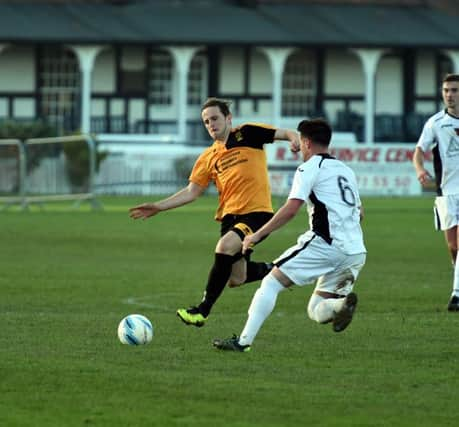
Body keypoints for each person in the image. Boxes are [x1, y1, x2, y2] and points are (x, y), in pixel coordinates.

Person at [129, 97, 300, 327]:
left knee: (224, 247)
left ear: (228, 118)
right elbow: (192, 191)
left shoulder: (248, 133)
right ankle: (284, 269)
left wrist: (295, 140)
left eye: (215, 118)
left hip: (257, 213)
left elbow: (286, 133)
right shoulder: (207, 157)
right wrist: (159, 206)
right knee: (236, 278)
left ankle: (202, 310)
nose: (211, 124)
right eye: (206, 121)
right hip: (229, 218)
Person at [213, 118, 367, 352]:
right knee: (316, 309)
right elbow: (360, 213)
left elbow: (291, 208)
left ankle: (243, 342)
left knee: (270, 282)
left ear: (305, 142)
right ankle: (340, 306)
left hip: (326, 244)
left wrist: (257, 235)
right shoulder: (346, 171)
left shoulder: (309, 168)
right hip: (355, 251)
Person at [413, 73, 459, 311]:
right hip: (446, 192)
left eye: (454, 90)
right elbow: (419, 151)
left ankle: (456, 294)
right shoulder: (435, 123)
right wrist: (420, 169)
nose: (449, 95)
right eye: (446, 90)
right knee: (453, 246)